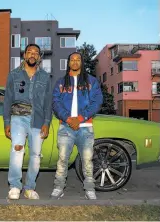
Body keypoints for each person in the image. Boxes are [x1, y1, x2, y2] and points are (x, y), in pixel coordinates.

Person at [50, 52, 103, 200]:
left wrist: (80, 118)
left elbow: (97, 101)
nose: (74, 62)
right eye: (72, 59)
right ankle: (58, 187)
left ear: (81, 63)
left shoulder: (91, 81)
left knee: (87, 160)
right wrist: (67, 118)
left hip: (85, 127)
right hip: (66, 127)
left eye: (77, 59)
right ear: (68, 63)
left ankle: (89, 189)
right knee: (62, 159)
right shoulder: (61, 83)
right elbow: (55, 102)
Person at [3, 43, 53, 200]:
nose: (32, 54)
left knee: (36, 155)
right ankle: (15, 186)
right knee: (17, 151)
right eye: (29, 52)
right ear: (24, 55)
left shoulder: (45, 77)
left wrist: (47, 122)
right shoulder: (13, 75)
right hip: (18, 118)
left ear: (39, 57)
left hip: (38, 120)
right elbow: (7, 99)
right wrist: (6, 122)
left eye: (35, 53)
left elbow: (48, 102)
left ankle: (30, 188)